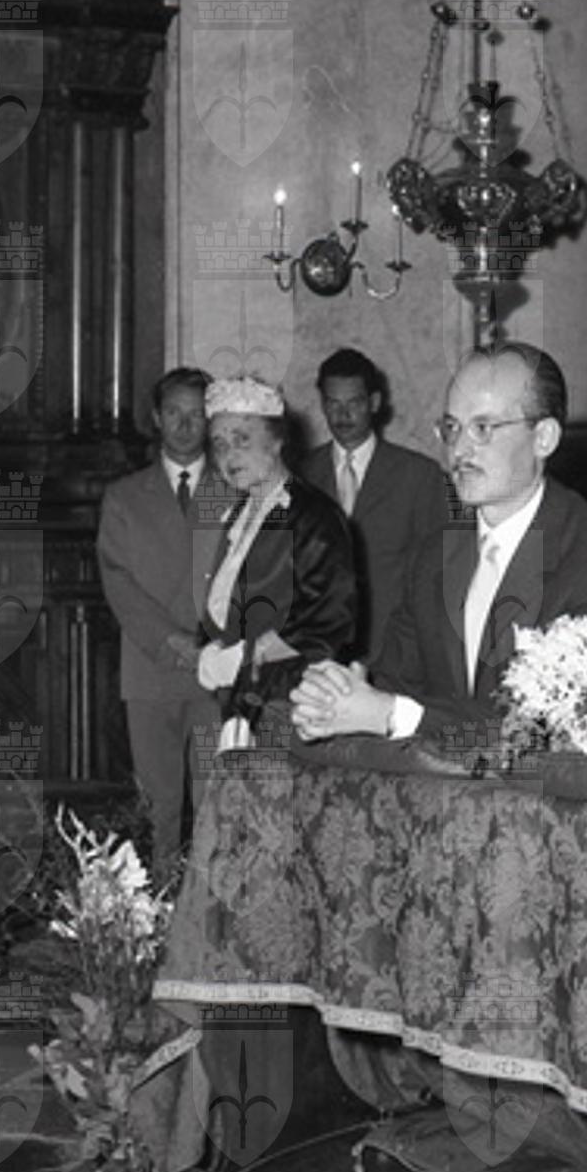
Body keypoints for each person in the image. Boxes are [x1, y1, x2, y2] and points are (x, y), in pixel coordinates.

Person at [291, 343, 587, 746]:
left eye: (483, 428)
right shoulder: (433, 555)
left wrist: (391, 714)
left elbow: (552, 735)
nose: (460, 451)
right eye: (452, 428)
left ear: (544, 437)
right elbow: (395, 681)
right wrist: (339, 694)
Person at [96, 367, 228, 865]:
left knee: (218, 798)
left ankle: (211, 904)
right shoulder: (125, 497)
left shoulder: (235, 490)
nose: (185, 425)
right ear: (156, 418)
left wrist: (216, 644)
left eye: (196, 414)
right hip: (151, 670)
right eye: (174, 412)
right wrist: (172, 640)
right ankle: (160, 900)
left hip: (217, 672)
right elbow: (117, 582)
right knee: (158, 806)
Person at [198, 376, 357, 750]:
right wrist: (207, 646)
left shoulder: (314, 515)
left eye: (242, 440)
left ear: (277, 440)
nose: (229, 456)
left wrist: (249, 656)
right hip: (240, 699)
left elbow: (331, 621)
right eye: (219, 444)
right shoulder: (239, 515)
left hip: (291, 703)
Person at [297, 348, 450, 660]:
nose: (343, 415)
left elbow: (437, 574)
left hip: (394, 652)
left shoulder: (419, 475)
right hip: (319, 653)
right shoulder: (302, 476)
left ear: (375, 402)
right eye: (333, 403)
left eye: (354, 403)